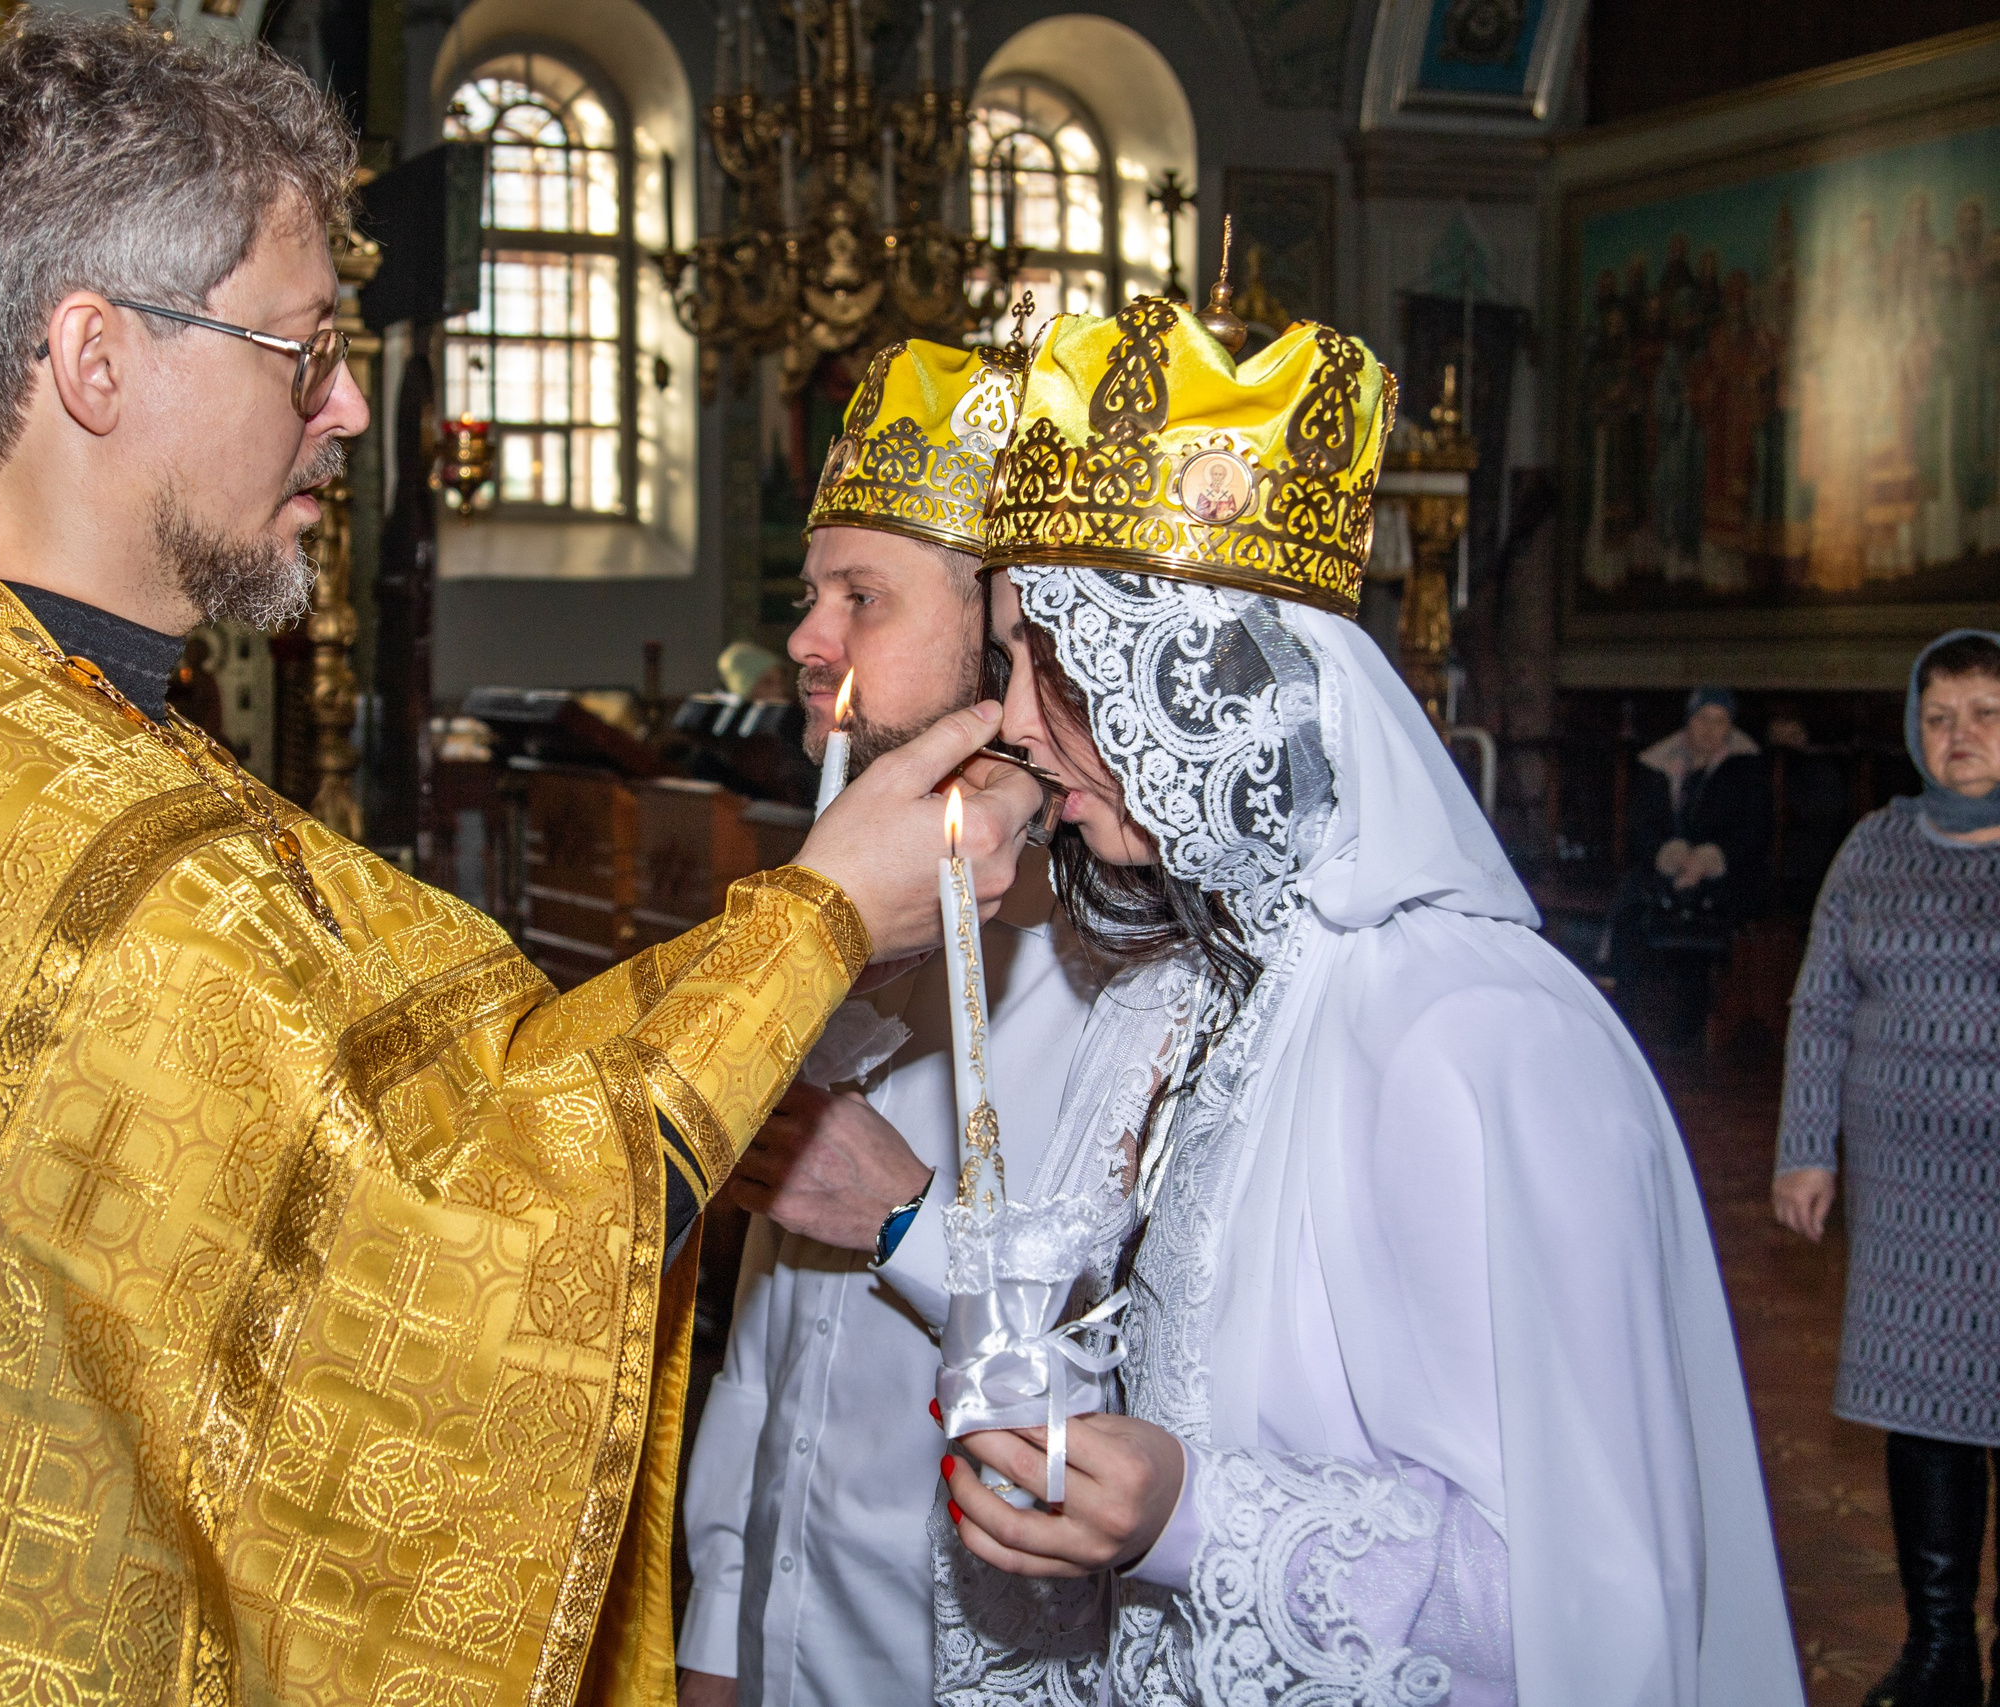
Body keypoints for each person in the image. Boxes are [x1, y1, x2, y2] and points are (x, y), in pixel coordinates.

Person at [0, 21, 1039, 1706]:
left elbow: (375, 1170)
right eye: (300, 347)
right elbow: (444, 1315)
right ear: (95, 361)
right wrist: (824, 915)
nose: (342, 409)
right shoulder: (62, 849)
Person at [931, 292, 1799, 1703]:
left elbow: (1597, 1600)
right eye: (1010, 658)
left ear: (1211, 677)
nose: (1020, 719)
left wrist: (1189, 1516)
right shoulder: (1216, 998)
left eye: (1056, 657)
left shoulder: (1473, 1040)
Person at [678, 340, 1112, 1707]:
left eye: (861, 595)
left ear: (1008, 621)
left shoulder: (1125, 956)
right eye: (813, 593)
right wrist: (719, 1618)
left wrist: (915, 1219)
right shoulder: (834, 906)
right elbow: (770, 1329)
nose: (811, 638)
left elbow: (1151, 1377)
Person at [1773, 629, 2000, 1707]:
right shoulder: (1872, 844)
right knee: (1926, 1409)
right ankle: (1942, 1649)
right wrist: (1804, 1149)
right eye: (1940, 715)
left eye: (1986, 715)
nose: (1959, 738)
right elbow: (1820, 1005)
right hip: (1909, 1184)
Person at [1600, 684, 1772, 1045]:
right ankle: (1620, 1019)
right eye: (1702, 719)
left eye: (1719, 721)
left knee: (1702, 924)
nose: (1710, 729)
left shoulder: (1748, 767)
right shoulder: (1658, 764)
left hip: (1727, 872)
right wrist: (1674, 857)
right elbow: (1641, 828)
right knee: (1632, 909)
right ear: (1688, 722)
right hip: (1667, 869)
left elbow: (1755, 831)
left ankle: (1690, 1031)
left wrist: (1706, 861)